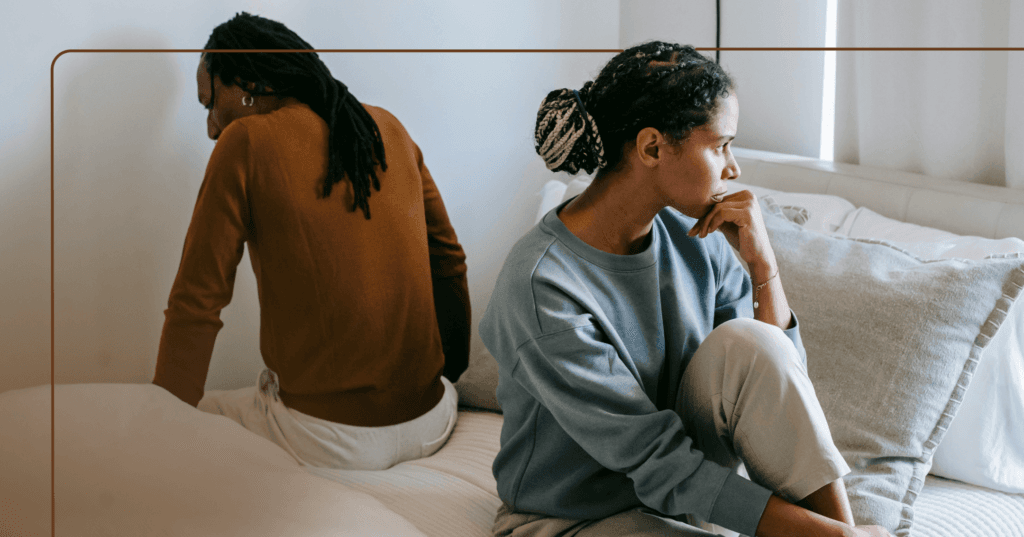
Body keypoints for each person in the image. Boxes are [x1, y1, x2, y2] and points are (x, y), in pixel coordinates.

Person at [479, 42, 892, 537]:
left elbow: (780, 391)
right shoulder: (543, 286)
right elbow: (663, 466)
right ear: (652, 147)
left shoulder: (696, 239)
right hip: (570, 519)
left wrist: (763, 265)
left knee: (754, 342)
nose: (733, 168)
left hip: (683, 497)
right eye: (721, 145)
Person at [152, 12, 470, 471]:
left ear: (245, 83)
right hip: (435, 420)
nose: (210, 127)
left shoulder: (246, 141)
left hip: (333, 442)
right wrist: (447, 377)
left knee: (199, 414)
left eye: (209, 103)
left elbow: (196, 303)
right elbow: (449, 262)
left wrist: (157, 430)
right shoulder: (389, 129)